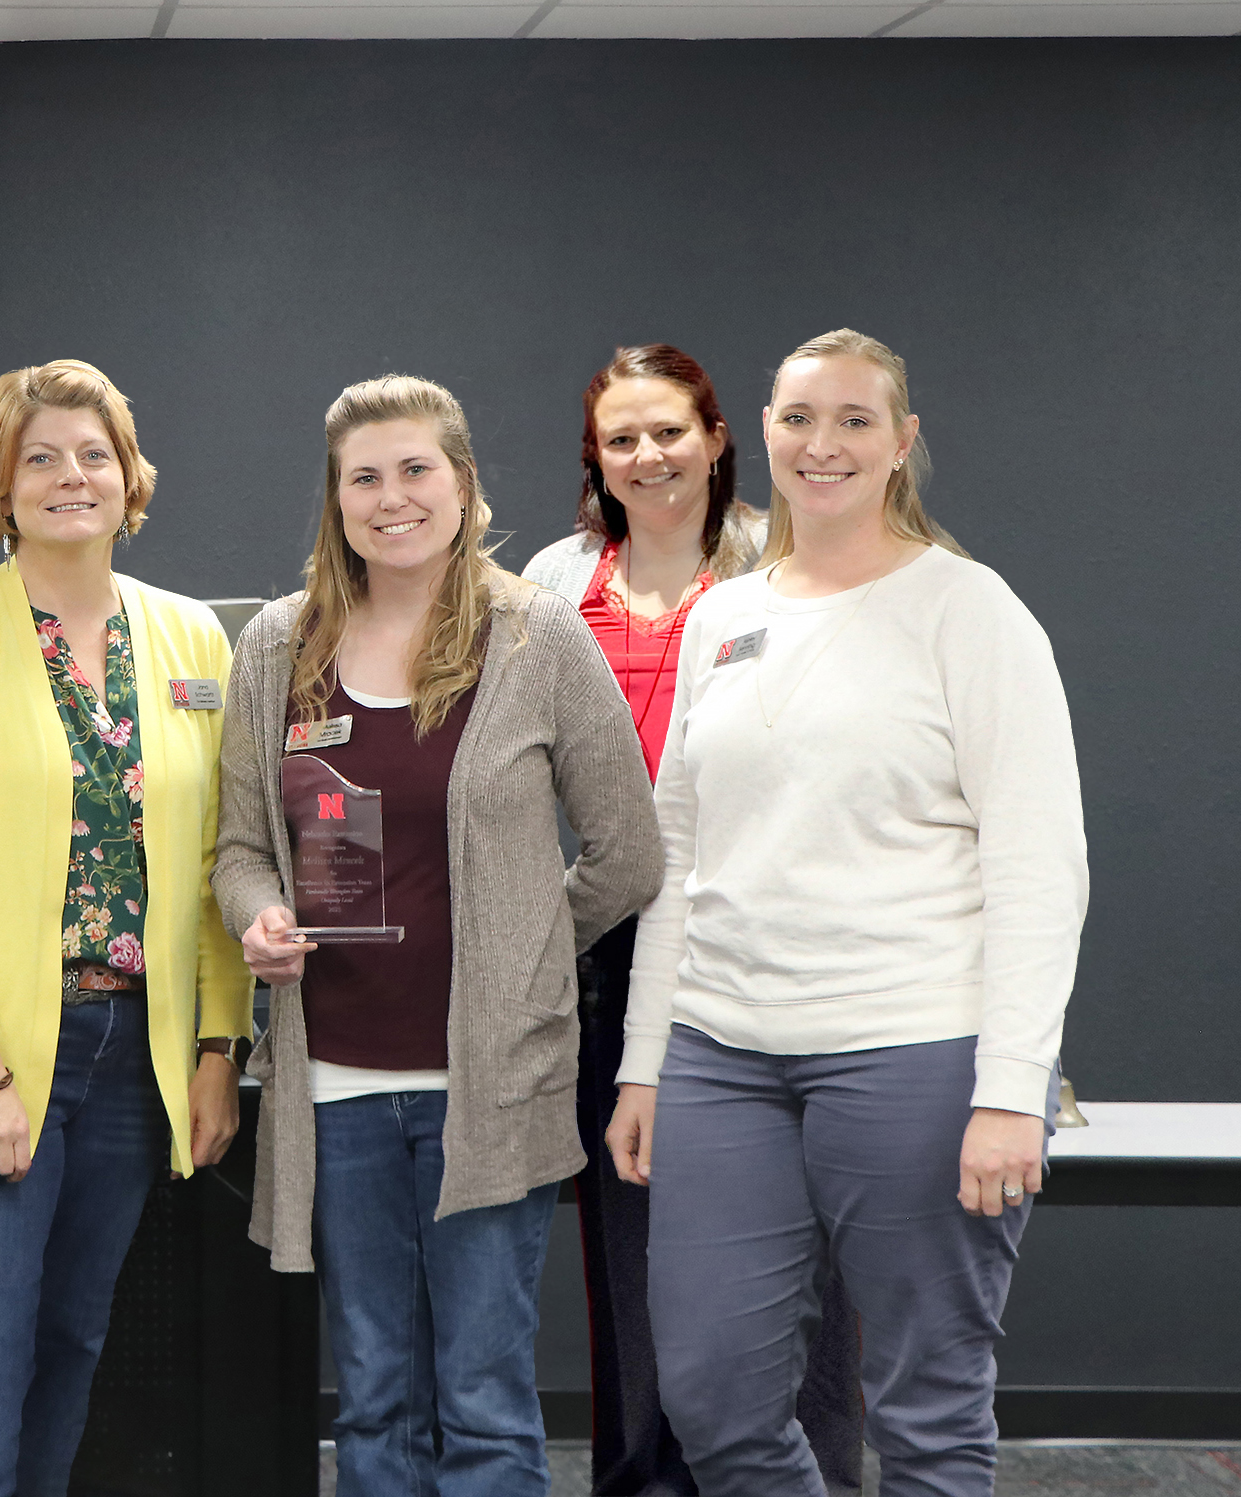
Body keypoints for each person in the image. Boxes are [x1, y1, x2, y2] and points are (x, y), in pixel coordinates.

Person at [607, 329, 1088, 1496]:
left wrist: (1010, 1088)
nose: (823, 445)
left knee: (926, 1415)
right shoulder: (724, 618)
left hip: (914, 1055)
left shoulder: (969, 612)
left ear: (902, 442)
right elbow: (679, 852)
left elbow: (1041, 863)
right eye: (799, 419)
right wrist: (645, 1063)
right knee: (713, 1399)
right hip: (723, 1056)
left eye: (855, 420)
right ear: (761, 435)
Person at [214, 375, 661, 1496]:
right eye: (365, 477)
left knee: (483, 1398)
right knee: (372, 1398)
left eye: (417, 470)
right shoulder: (279, 646)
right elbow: (237, 851)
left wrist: (521, 946)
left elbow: (628, 854)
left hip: (490, 1082)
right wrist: (256, 918)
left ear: (463, 482)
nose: (392, 497)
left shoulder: (538, 638)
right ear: (337, 497)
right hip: (338, 1090)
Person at [0, 359, 253, 1497]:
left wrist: (219, 1049)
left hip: (138, 1057)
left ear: (130, 477)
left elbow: (218, 863)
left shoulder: (192, 641)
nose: (69, 476)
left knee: (75, 1341)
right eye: (39, 457)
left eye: (93, 454)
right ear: (2, 486)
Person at [523, 344, 862, 1497]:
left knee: (790, 1242)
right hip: (610, 937)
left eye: (670, 430)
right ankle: (644, 1477)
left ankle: (800, 1473)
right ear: (598, 462)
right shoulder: (553, 588)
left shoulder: (793, 565)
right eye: (622, 438)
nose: (648, 455)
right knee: (630, 1241)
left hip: (765, 929)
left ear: (718, 438)